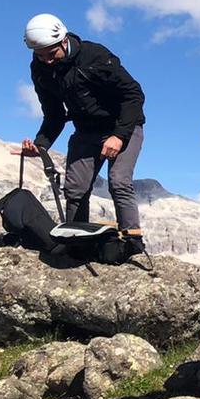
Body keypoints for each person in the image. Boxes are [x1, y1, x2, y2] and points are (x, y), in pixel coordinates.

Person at [17, 14, 148, 256]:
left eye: (50, 53)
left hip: (123, 125)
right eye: (39, 54)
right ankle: (78, 243)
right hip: (86, 131)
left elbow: (134, 95)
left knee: (119, 182)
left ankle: (132, 245)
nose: (46, 60)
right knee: (75, 189)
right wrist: (40, 145)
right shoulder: (41, 69)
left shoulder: (95, 56)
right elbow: (54, 114)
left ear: (63, 41)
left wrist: (119, 135)